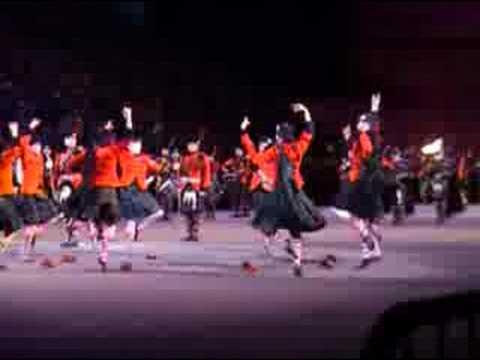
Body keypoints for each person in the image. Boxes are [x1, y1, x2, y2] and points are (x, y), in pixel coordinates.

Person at [240, 103, 326, 277]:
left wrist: (244, 133)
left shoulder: (276, 150)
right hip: (294, 193)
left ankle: (286, 249)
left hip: (278, 194)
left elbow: (256, 159)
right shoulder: (298, 148)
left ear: (279, 136)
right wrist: (305, 111)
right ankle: (297, 262)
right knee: (296, 228)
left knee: (269, 224)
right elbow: (309, 132)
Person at [344, 93, 384, 267]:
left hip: (362, 181)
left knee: (355, 216)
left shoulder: (363, 136)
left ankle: (368, 242)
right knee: (369, 218)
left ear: (366, 125)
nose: (358, 123)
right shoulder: (374, 136)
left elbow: (364, 155)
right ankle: (372, 251)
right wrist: (374, 109)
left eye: (361, 122)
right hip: (374, 181)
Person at [179, 137, 211, 242]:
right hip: (186, 187)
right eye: (189, 145)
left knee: (196, 211)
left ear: (197, 146)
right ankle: (189, 233)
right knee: (187, 211)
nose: (191, 147)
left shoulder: (202, 157)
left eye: (193, 145)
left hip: (197, 187)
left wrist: (204, 188)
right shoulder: (184, 157)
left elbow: (206, 173)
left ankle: (195, 233)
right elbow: (181, 172)